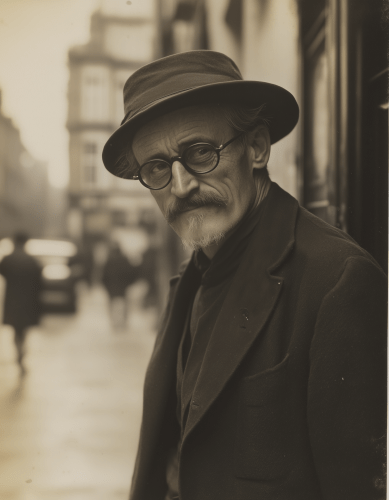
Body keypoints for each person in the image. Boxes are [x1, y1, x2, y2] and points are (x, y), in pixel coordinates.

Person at [102, 51, 386, 500]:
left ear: (257, 147)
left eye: (200, 152)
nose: (180, 186)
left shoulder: (338, 280)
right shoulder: (190, 279)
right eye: (156, 167)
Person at [0, 232, 42, 375]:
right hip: (29, 301)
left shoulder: (8, 259)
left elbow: (0, 271)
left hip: (12, 300)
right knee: (24, 332)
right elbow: (39, 280)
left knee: (16, 332)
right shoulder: (31, 260)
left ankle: (19, 354)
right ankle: (22, 353)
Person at [102, 242, 137, 330]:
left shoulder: (109, 260)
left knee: (113, 305)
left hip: (112, 287)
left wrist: (106, 286)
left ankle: (115, 323)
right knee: (122, 304)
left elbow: (104, 275)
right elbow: (131, 272)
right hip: (122, 287)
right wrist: (128, 283)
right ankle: (122, 322)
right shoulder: (124, 259)